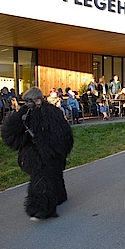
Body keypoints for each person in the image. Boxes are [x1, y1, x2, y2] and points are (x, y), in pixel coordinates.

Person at [1, 87, 74, 221]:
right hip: (36, 153)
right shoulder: (26, 114)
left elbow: (62, 135)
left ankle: (41, 209)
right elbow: (11, 134)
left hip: (49, 153)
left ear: (38, 101)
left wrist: (48, 148)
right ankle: (58, 197)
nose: (27, 104)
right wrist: (18, 119)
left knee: (43, 179)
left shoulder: (51, 113)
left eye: (29, 101)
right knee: (48, 175)